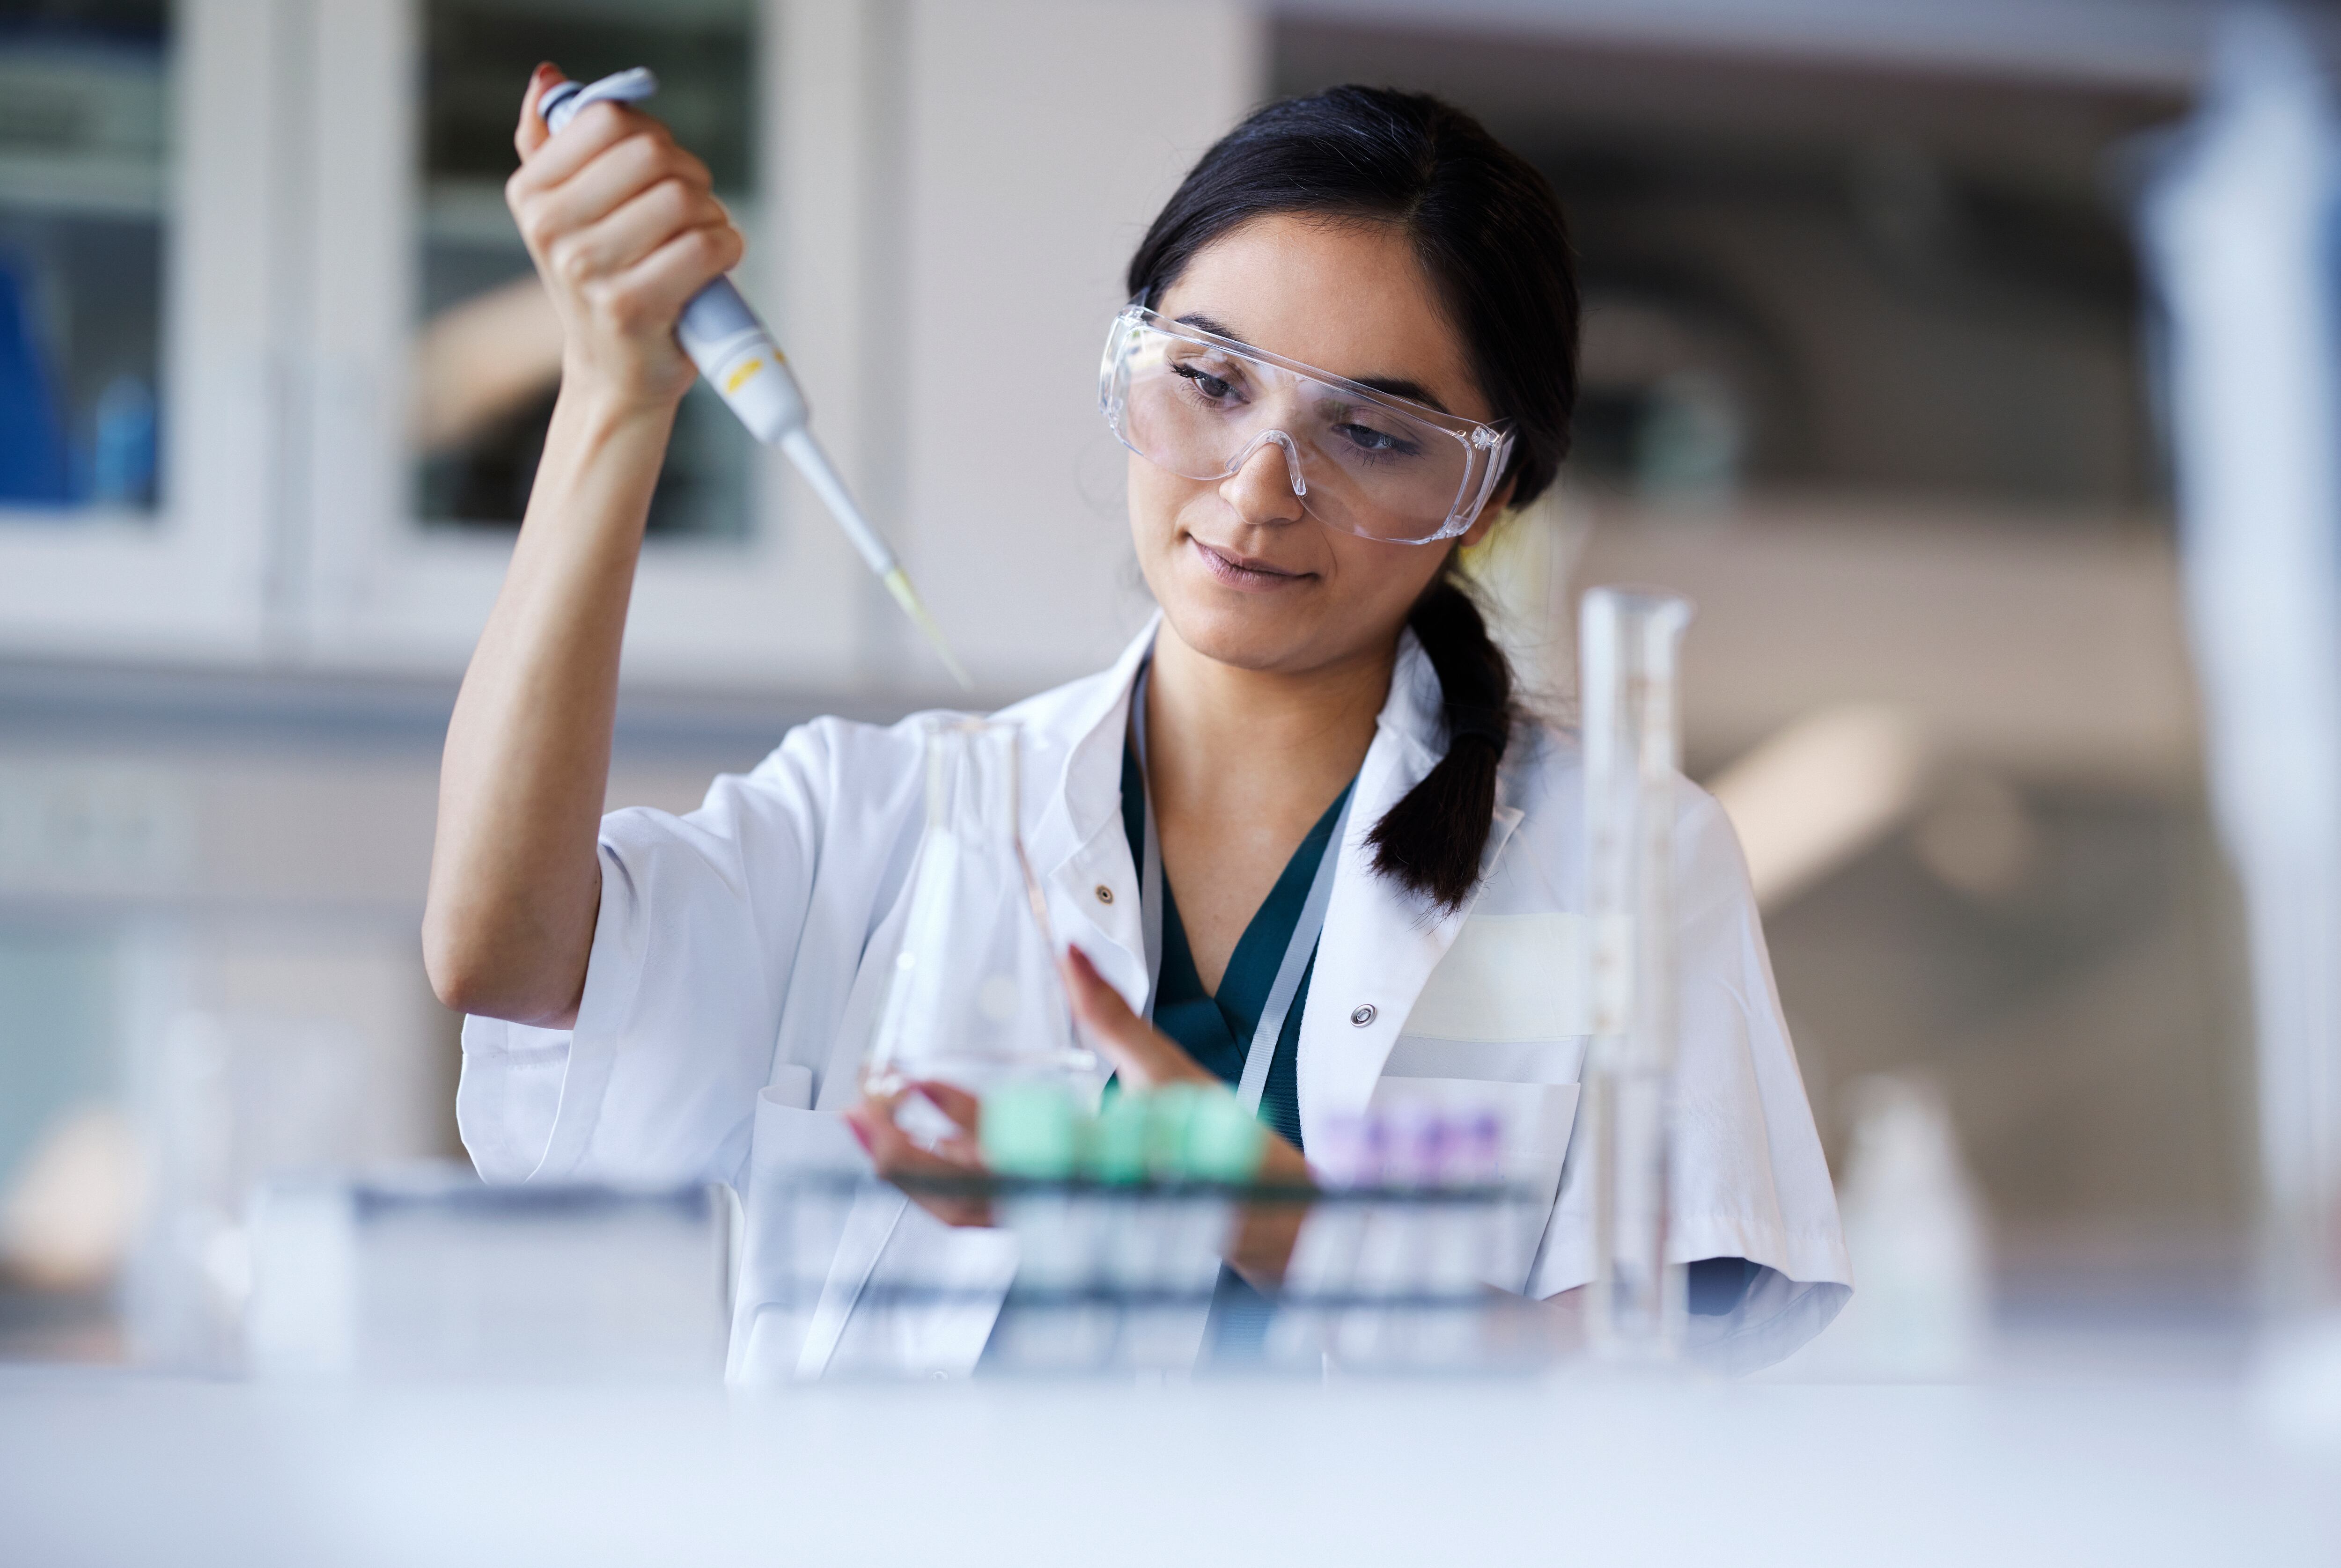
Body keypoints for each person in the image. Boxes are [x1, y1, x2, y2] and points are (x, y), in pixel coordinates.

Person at [427, 66, 1850, 1378]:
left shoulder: (1622, 860)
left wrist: (1271, 1217)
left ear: (1489, 494)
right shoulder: (886, 819)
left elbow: (1669, 1383)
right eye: (1212, 383)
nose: (1255, 491)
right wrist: (616, 389)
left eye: (1373, 434)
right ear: (1133, 366)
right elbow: (503, 956)